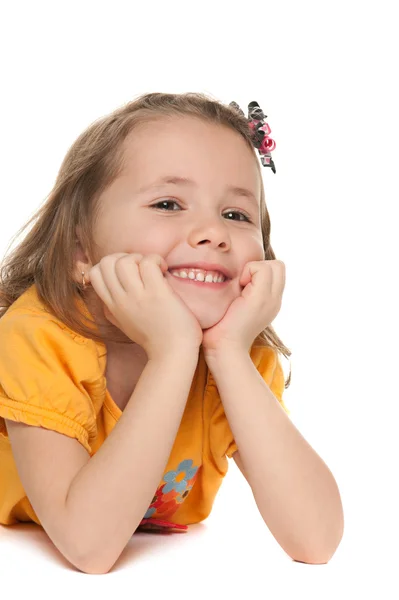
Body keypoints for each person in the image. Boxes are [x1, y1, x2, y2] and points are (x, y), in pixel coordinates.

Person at [0, 92, 343, 573]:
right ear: (81, 251)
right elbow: (89, 547)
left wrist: (225, 353)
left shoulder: (235, 352)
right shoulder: (41, 336)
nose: (213, 233)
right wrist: (172, 353)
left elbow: (317, 539)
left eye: (236, 215)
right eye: (168, 203)